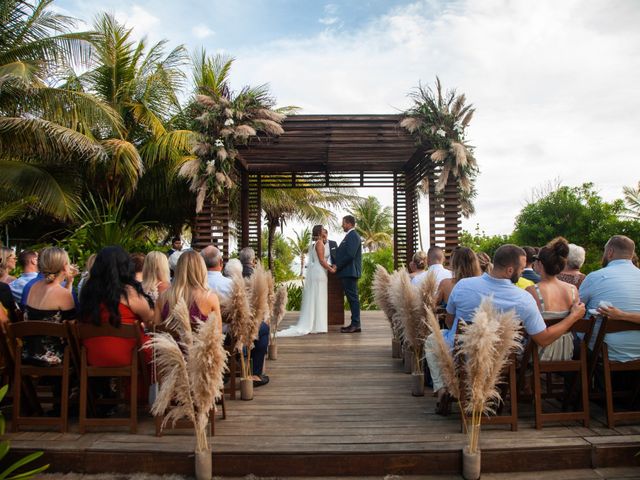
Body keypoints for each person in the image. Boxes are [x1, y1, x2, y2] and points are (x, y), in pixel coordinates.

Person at [426, 244, 585, 414]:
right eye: (522, 268)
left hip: (460, 356)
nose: (523, 271)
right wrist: (573, 317)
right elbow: (543, 338)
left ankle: (443, 390)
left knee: (432, 339)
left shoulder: (463, 285)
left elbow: (450, 323)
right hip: (499, 362)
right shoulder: (523, 298)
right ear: (510, 270)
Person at [78, 246, 154, 368]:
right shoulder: (130, 293)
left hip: (93, 356)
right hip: (127, 356)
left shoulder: (87, 292)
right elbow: (150, 320)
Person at [579, 235, 640, 362]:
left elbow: (578, 307)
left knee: (572, 339)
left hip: (605, 352)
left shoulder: (595, 277)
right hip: (638, 352)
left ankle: (579, 381)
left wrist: (621, 315)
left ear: (610, 252)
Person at [526, 237, 579, 360]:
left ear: (540, 264)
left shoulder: (532, 291)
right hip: (566, 352)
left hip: (538, 354)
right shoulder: (573, 290)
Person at [23, 247, 77, 366]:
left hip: (28, 354)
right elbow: (73, 328)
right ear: (64, 266)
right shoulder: (63, 294)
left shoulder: (33, 287)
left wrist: (69, 283)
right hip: (53, 357)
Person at [278, 225, 332, 337]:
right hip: (320, 272)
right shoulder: (320, 244)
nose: (324, 231)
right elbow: (322, 261)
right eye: (323, 230)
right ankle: (319, 325)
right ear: (319, 232)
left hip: (316, 271)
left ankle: (317, 324)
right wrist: (331, 269)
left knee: (317, 298)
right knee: (319, 298)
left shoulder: (314, 244)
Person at [155, 250, 222, 333]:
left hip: (168, 345)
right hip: (201, 346)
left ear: (179, 270)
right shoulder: (210, 298)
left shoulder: (162, 298)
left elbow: (157, 333)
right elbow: (218, 334)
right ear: (201, 269)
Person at [334, 216, 363, 333]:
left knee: (353, 299)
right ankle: (354, 323)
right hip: (347, 272)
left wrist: (337, 265)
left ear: (349, 224)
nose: (342, 225)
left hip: (350, 272)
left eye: (344, 223)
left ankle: (356, 324)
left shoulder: (353, 236)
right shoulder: (350, 236)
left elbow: (350, 255)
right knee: (352, 299)